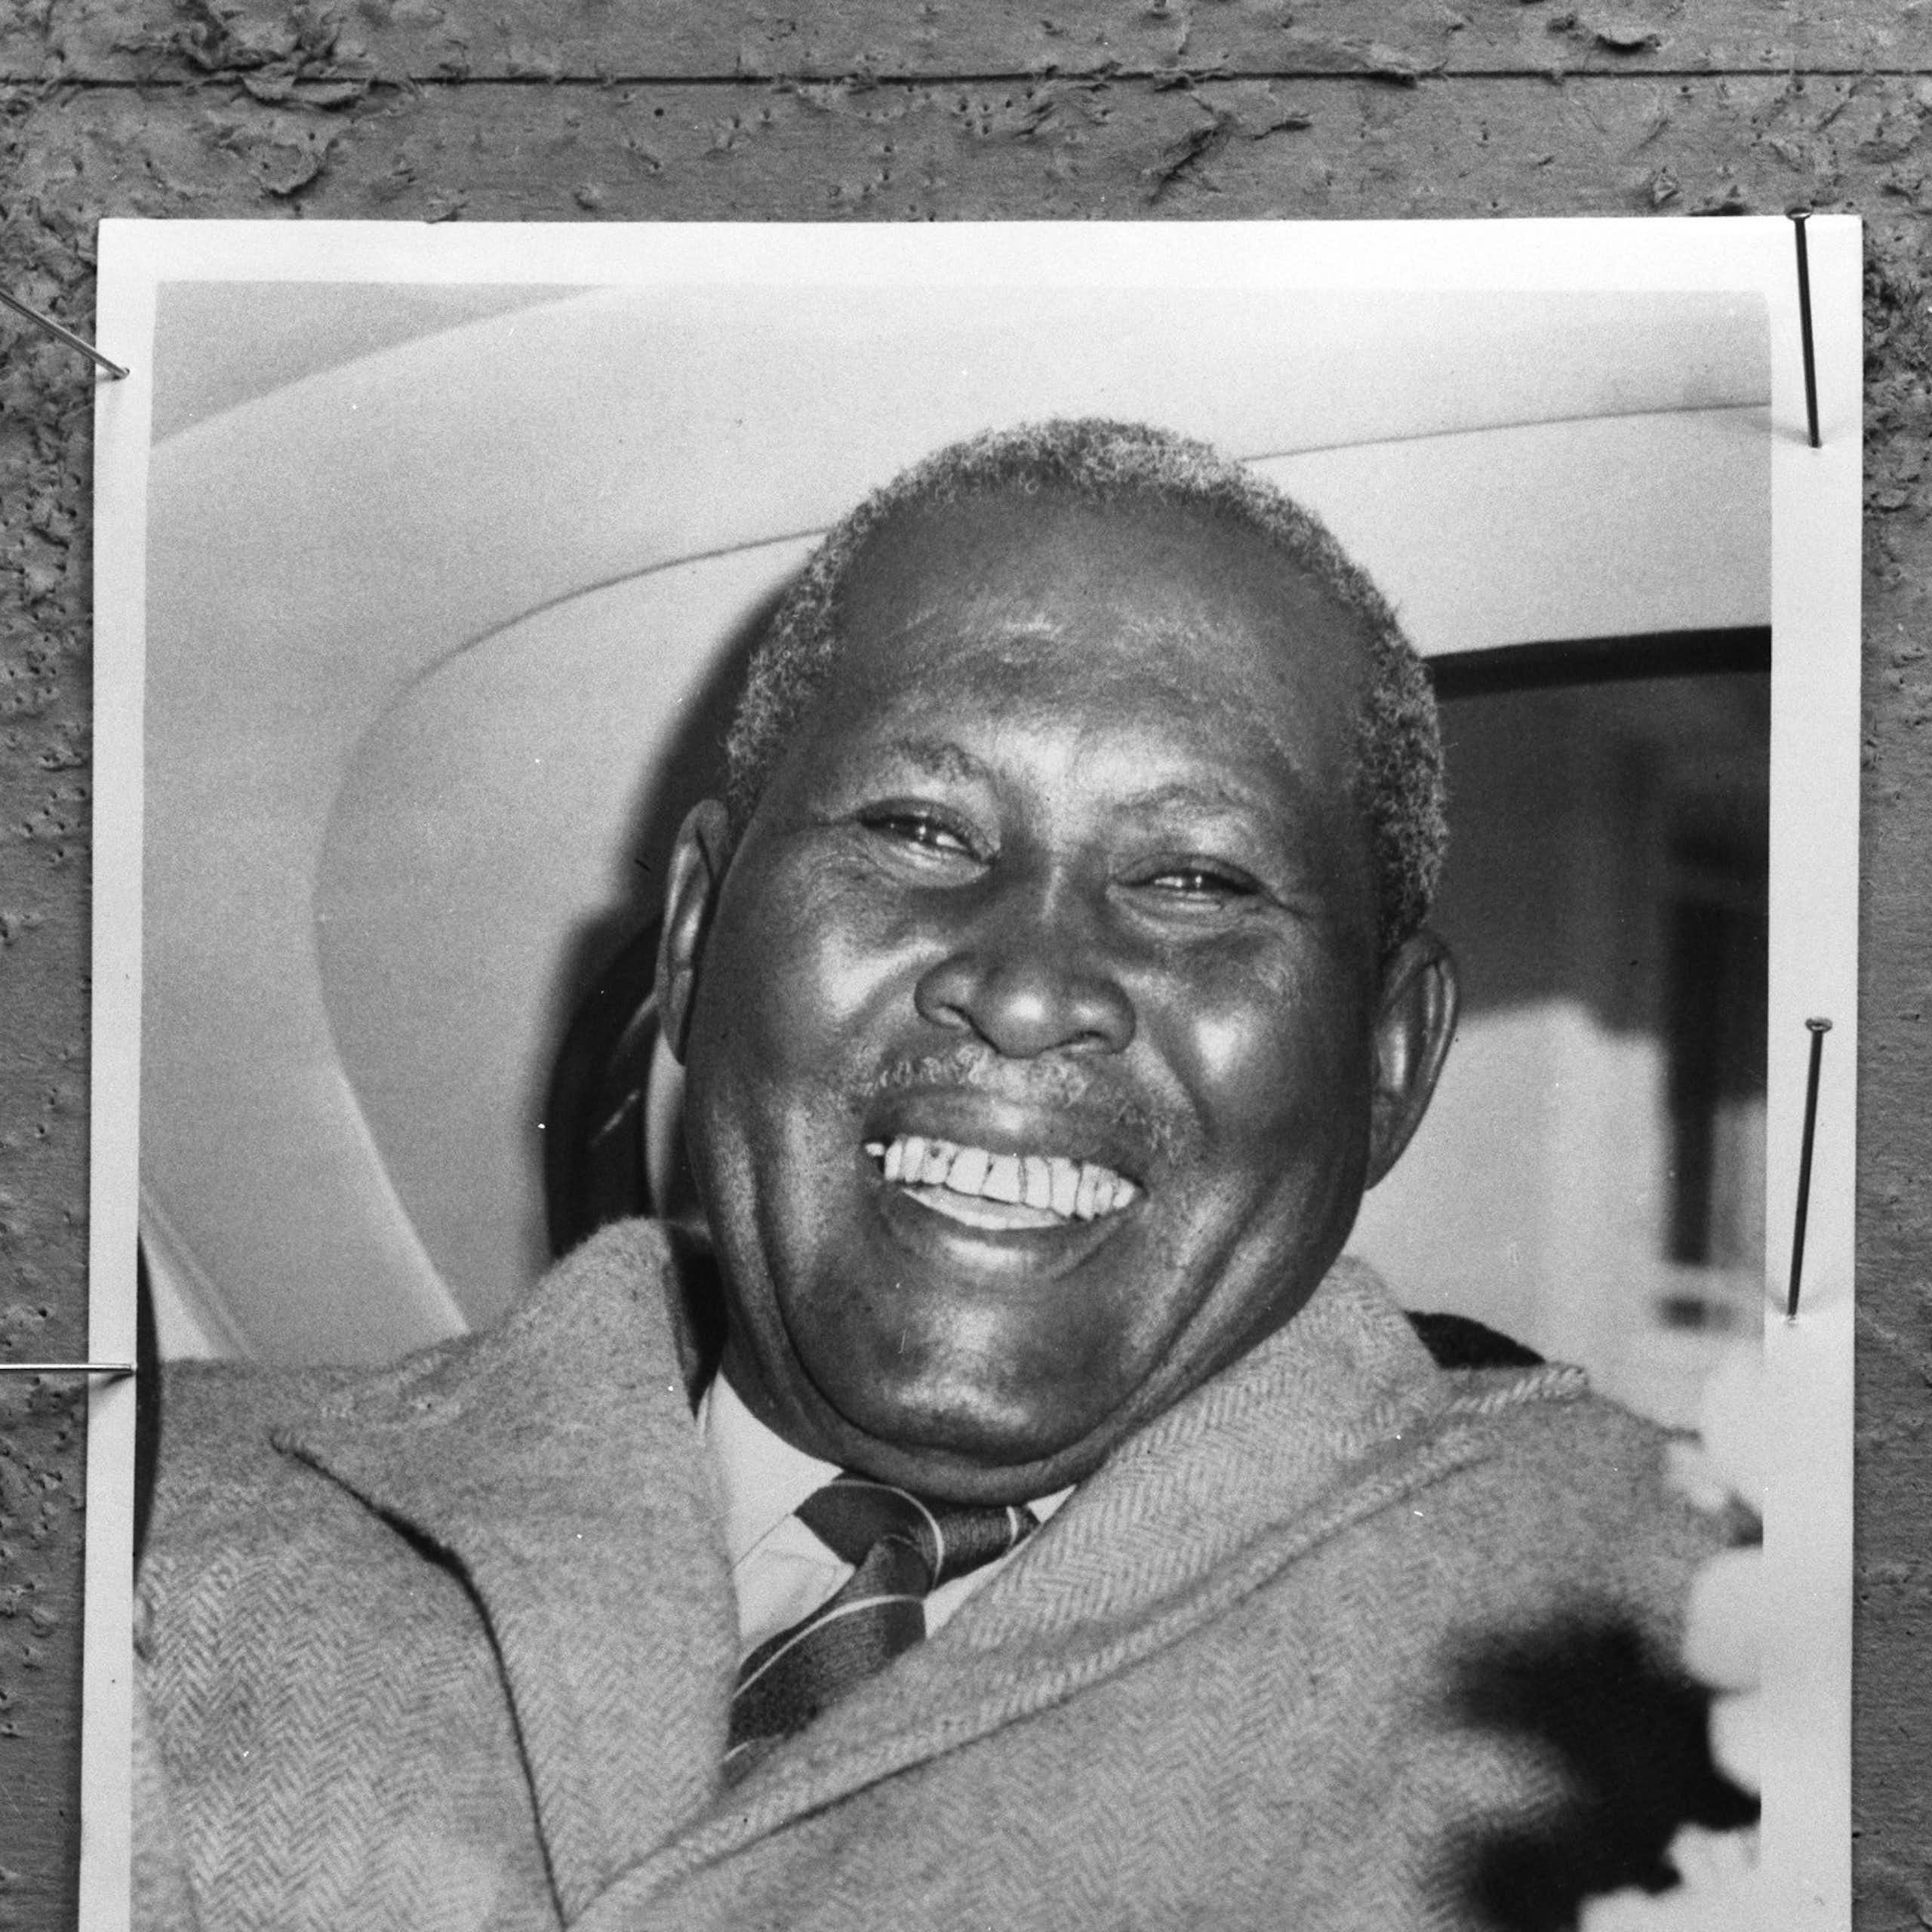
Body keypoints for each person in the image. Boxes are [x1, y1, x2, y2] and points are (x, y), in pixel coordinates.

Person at [133, 420, 1755, 1932]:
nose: (1028, 982)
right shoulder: (138, 1528)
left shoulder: (1690, 1670)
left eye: (1193, 877)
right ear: (696, 936)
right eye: (917, 829)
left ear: (1388, 1060)